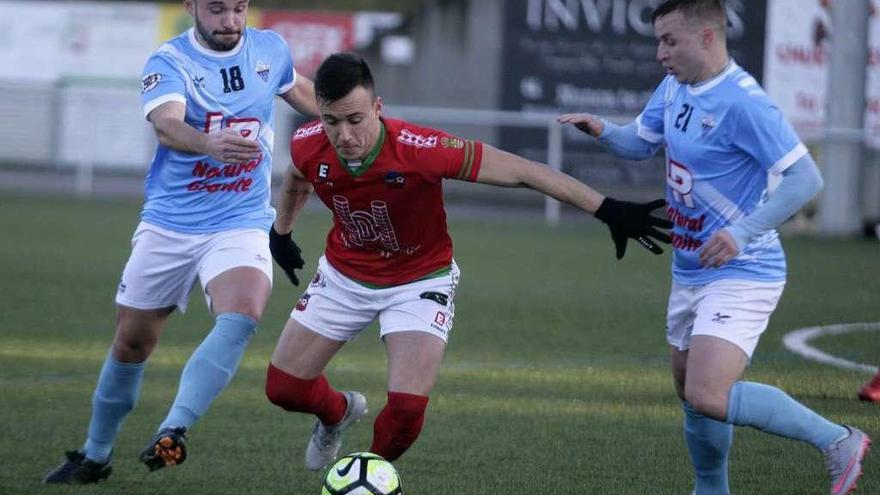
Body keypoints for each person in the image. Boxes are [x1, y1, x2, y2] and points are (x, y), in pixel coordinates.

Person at [263, 52, 672, 471]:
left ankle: (365, 474)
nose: (344, 134)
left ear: (378, 108)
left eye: (355, 119)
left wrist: (607, 209)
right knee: (283, 388)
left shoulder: (419, 149)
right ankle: (337, 414)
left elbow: (524, 171)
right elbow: (297, 179)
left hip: (418, 282)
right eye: (332, 121)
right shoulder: (309, 142)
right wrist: (281, 233)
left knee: (405, 413)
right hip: (344, 276)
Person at [557, 1, 870, 494]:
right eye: (658, 41)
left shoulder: (744, 102)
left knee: (708, 392)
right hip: (690, 270)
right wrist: (603, 131)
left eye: (670, 41)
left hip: (745, 268)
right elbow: (641, 142)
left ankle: (839, 440)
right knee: (690, 391)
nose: (660, 52)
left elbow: (805, 179)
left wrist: (741, 232)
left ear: (707, 37)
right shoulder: (676, 86)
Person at [44, 0, 318, 484]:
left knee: (244, 314)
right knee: (131, 344)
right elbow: (168, 124)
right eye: (217, 10)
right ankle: (95, 454)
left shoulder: (269, 49)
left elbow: (304, 93)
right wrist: (206, 142)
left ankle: (175, 429)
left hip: (240, 218)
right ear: (192, 6)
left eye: (238, 9)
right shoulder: (168, 61)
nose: (230, 22)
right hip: (170, 224)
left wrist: (365, 121)